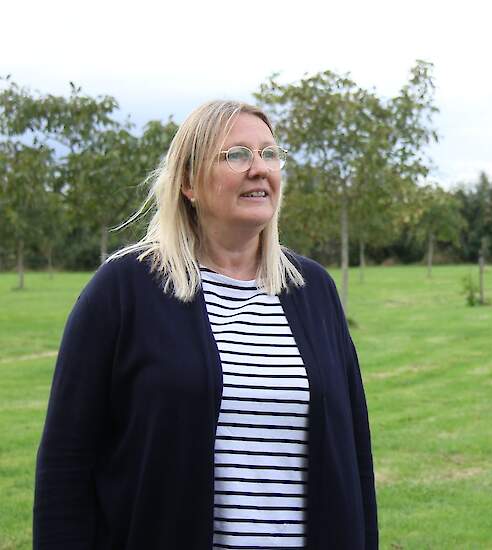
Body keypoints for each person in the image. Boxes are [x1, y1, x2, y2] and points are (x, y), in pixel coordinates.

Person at [34, 100, 377, 549]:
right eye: (237, 155)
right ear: (189, 183)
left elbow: (354, 452)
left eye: (270, 154)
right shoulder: (124, 289)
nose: (260, 169)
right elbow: (66, 461)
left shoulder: (312, 289)